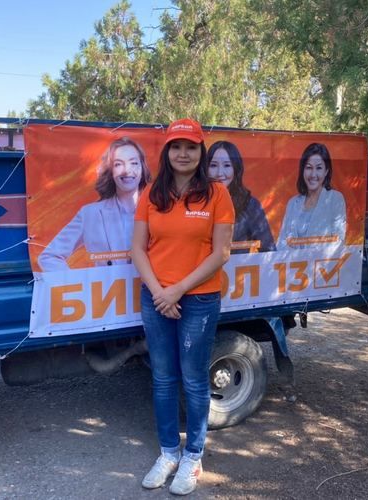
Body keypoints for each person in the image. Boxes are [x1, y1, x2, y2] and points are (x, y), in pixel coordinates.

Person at [132, 118, 234, 495]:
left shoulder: (217, 194)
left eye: (191, 147)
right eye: (176, 146)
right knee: (162, 378)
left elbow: (221, 253)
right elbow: (137, 249)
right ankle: (168, 453)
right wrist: (161, 292)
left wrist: (177, 290)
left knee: (193, 380)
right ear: (167, 151)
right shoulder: (151, 193)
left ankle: (193, 456)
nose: (183, 153)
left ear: (201, 152)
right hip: (156, 297)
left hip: (199, 299)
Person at [38, 137, 151, 271]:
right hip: (110, 285)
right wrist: (77, 283)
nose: (127, 170)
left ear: (142, 168)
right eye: (118, 164)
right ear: (110, 170)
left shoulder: (158, 209)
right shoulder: (89, 214)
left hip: (151, 285)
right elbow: (49, 257)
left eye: (134, 163)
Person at [207, 141, 275, 253]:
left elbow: (268, 251)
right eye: (213, 165)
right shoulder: (198, 202)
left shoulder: (250, 205)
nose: (220, 173)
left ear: (236, 168)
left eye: (227, 165)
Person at [277, 143, 346, 249]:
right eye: (309, 167)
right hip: (293, 260)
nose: (313, 174)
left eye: (319, 168)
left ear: (326, 171)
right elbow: (281, 243)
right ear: (303, 170)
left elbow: (338, 242)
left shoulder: (335, 199)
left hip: (323, 260)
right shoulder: (292, 203)